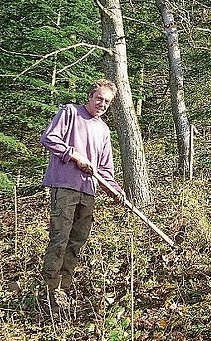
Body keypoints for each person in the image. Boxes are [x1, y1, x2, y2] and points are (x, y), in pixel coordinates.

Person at [40, 79, 124, 308]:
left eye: (107, 101)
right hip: (65, 187)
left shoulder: (103, 129)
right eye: (99, 98)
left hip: (89, 192)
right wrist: (76, 156)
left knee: (77, 241)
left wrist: (116, 192)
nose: (102, 104)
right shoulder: (70, 112)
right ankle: (50, 290)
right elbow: (49, 138)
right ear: (90, 96)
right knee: (60, 237)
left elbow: (105, 169)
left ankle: (63, 290)